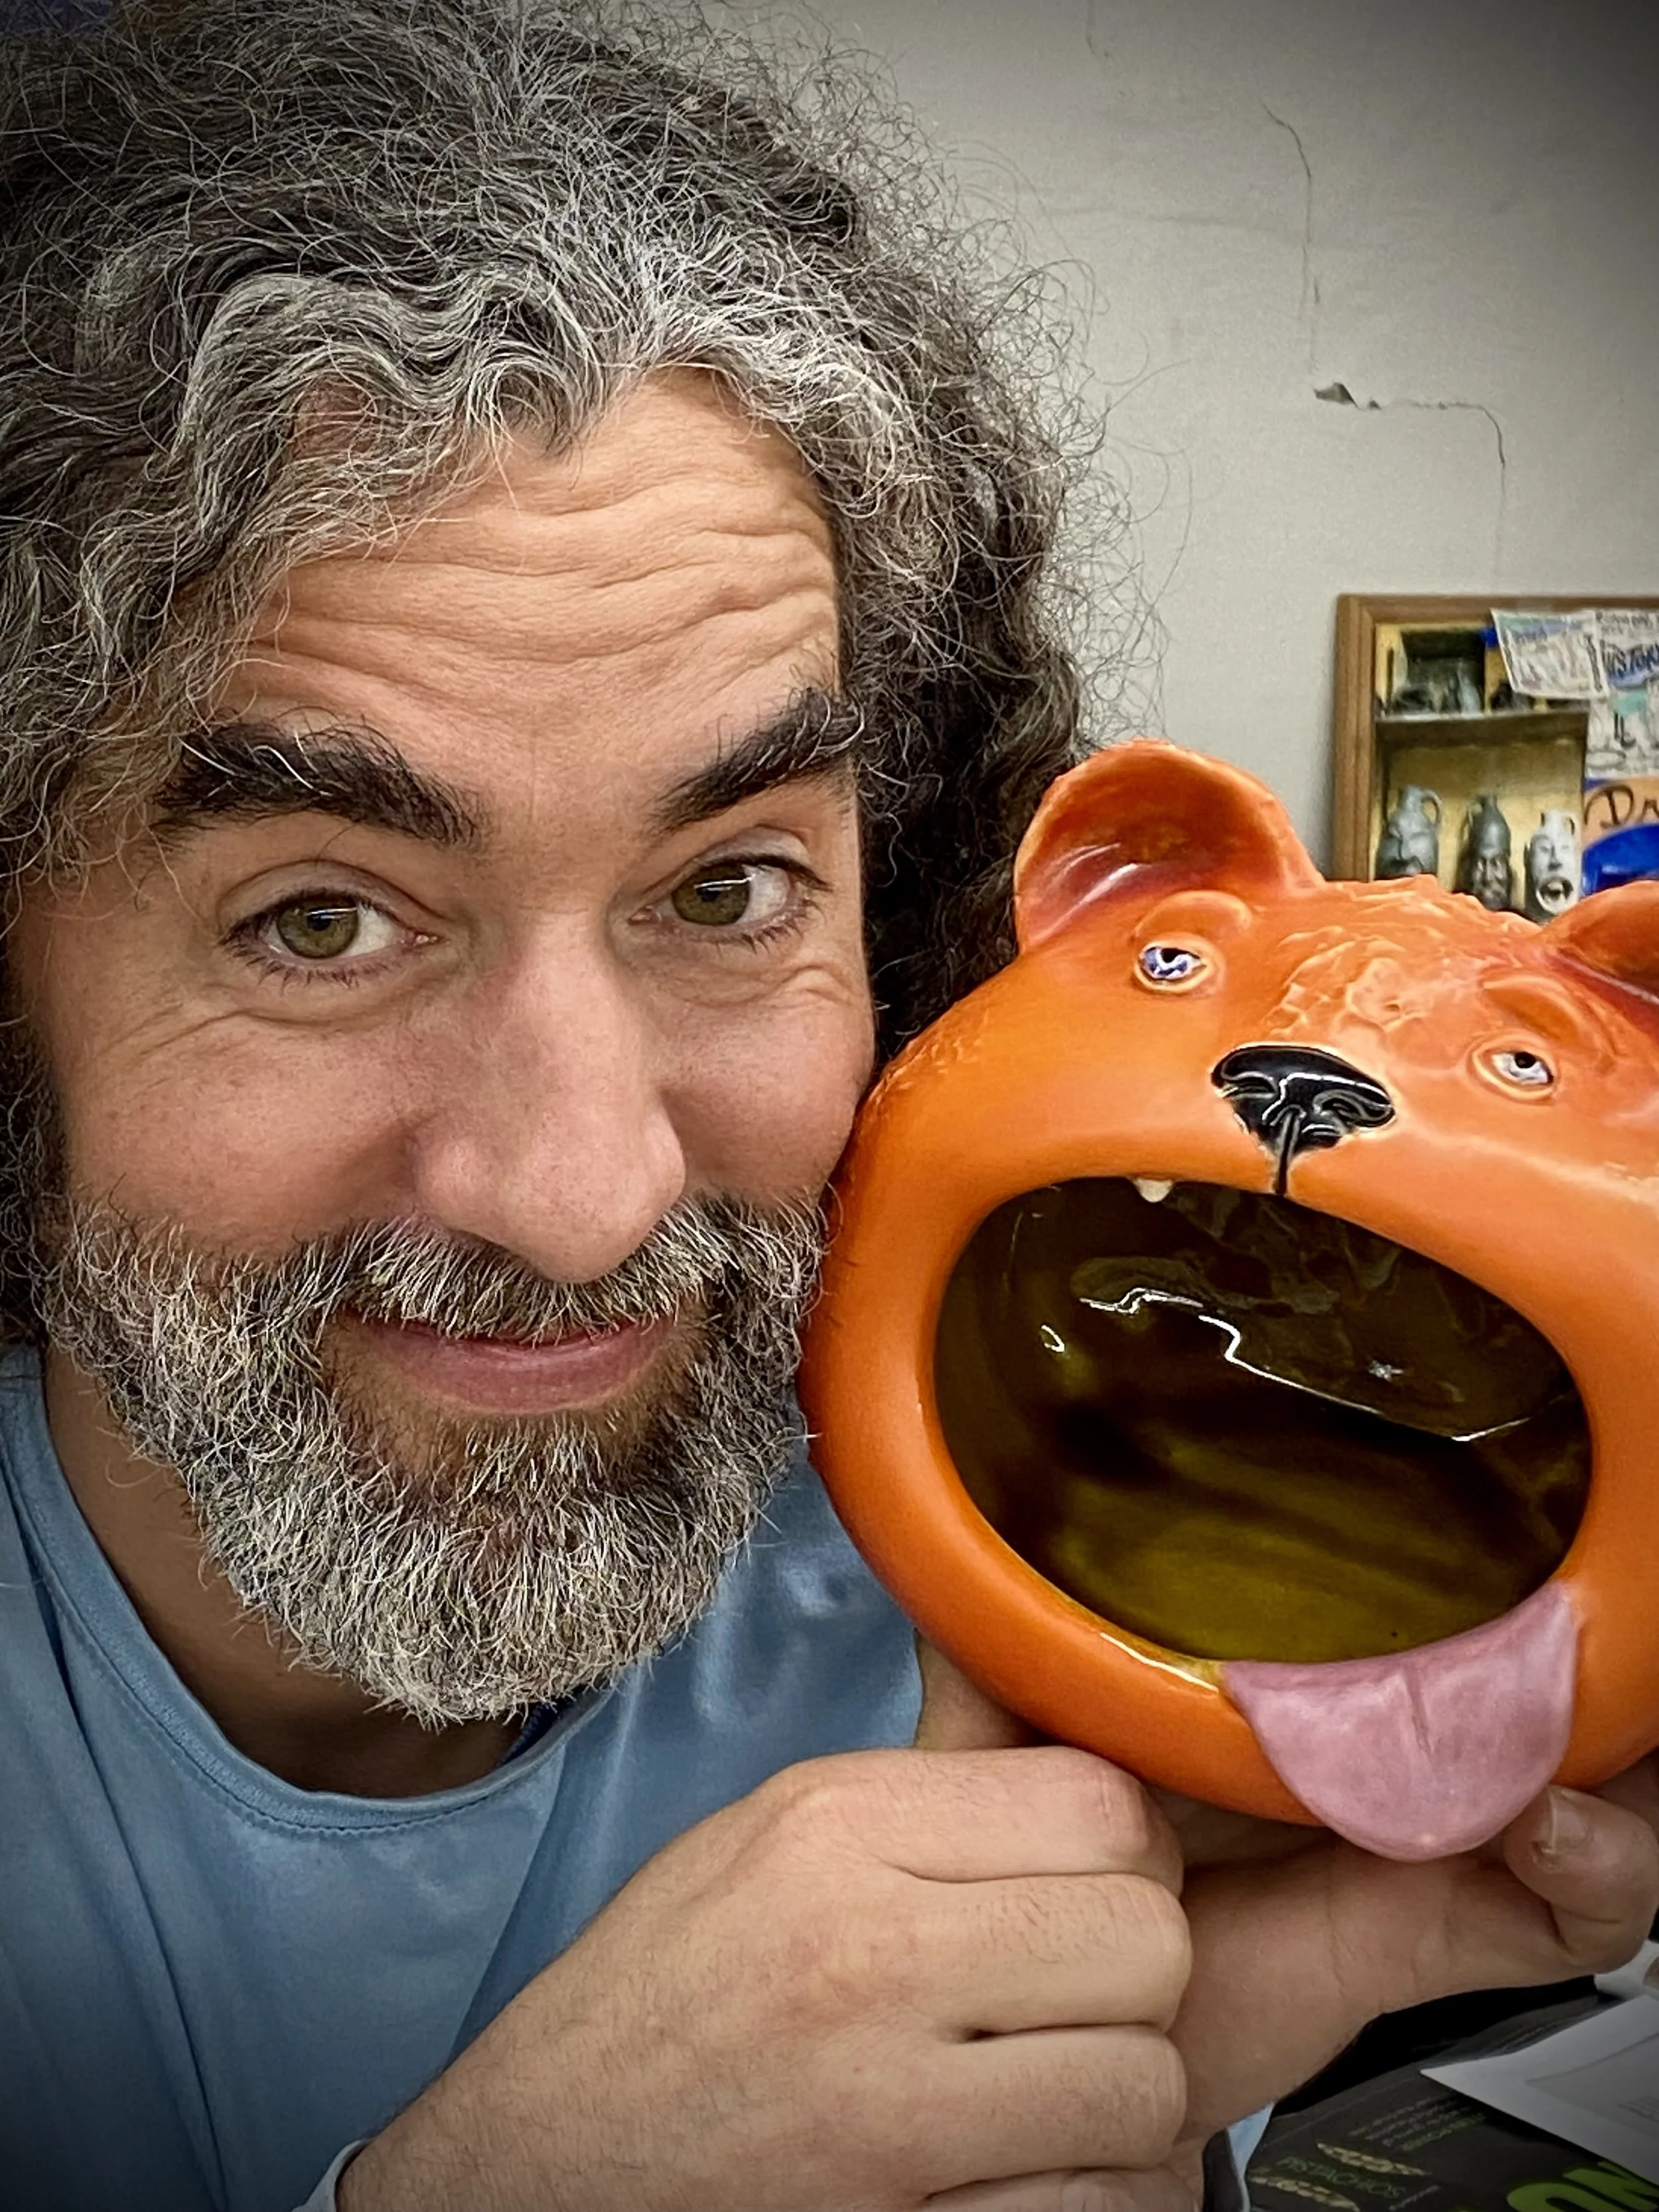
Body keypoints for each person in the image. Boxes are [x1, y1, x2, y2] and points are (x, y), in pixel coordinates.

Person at [0, 5, 1654, 2209]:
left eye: (729, 885)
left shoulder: (1060, 1562)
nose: (589, 1203)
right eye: (318, 920)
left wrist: (1158, 2131)